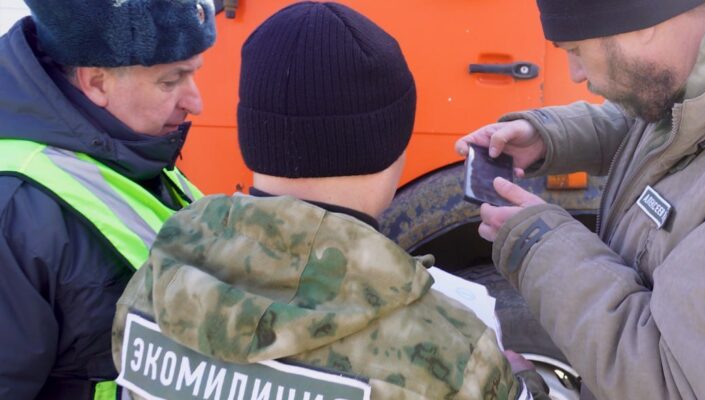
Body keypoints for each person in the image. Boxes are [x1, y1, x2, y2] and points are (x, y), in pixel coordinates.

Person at [110, 2, 547, 399]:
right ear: (393, 146)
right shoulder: (451, 350)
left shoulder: (156, 277)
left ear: (252, 134)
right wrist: (524, 381)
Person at [456, 0, 705, 398]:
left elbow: (688, 389)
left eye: (577, 49)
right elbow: (688, 124)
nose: (575, 72)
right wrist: (551, 138)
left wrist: (540, 245)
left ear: (642, 22)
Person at [0, 1, 216, 398]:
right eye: (171, 81)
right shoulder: (14, 206)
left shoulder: (136, 155)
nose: (195, 102)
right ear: (97, 83)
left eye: (193, 74)